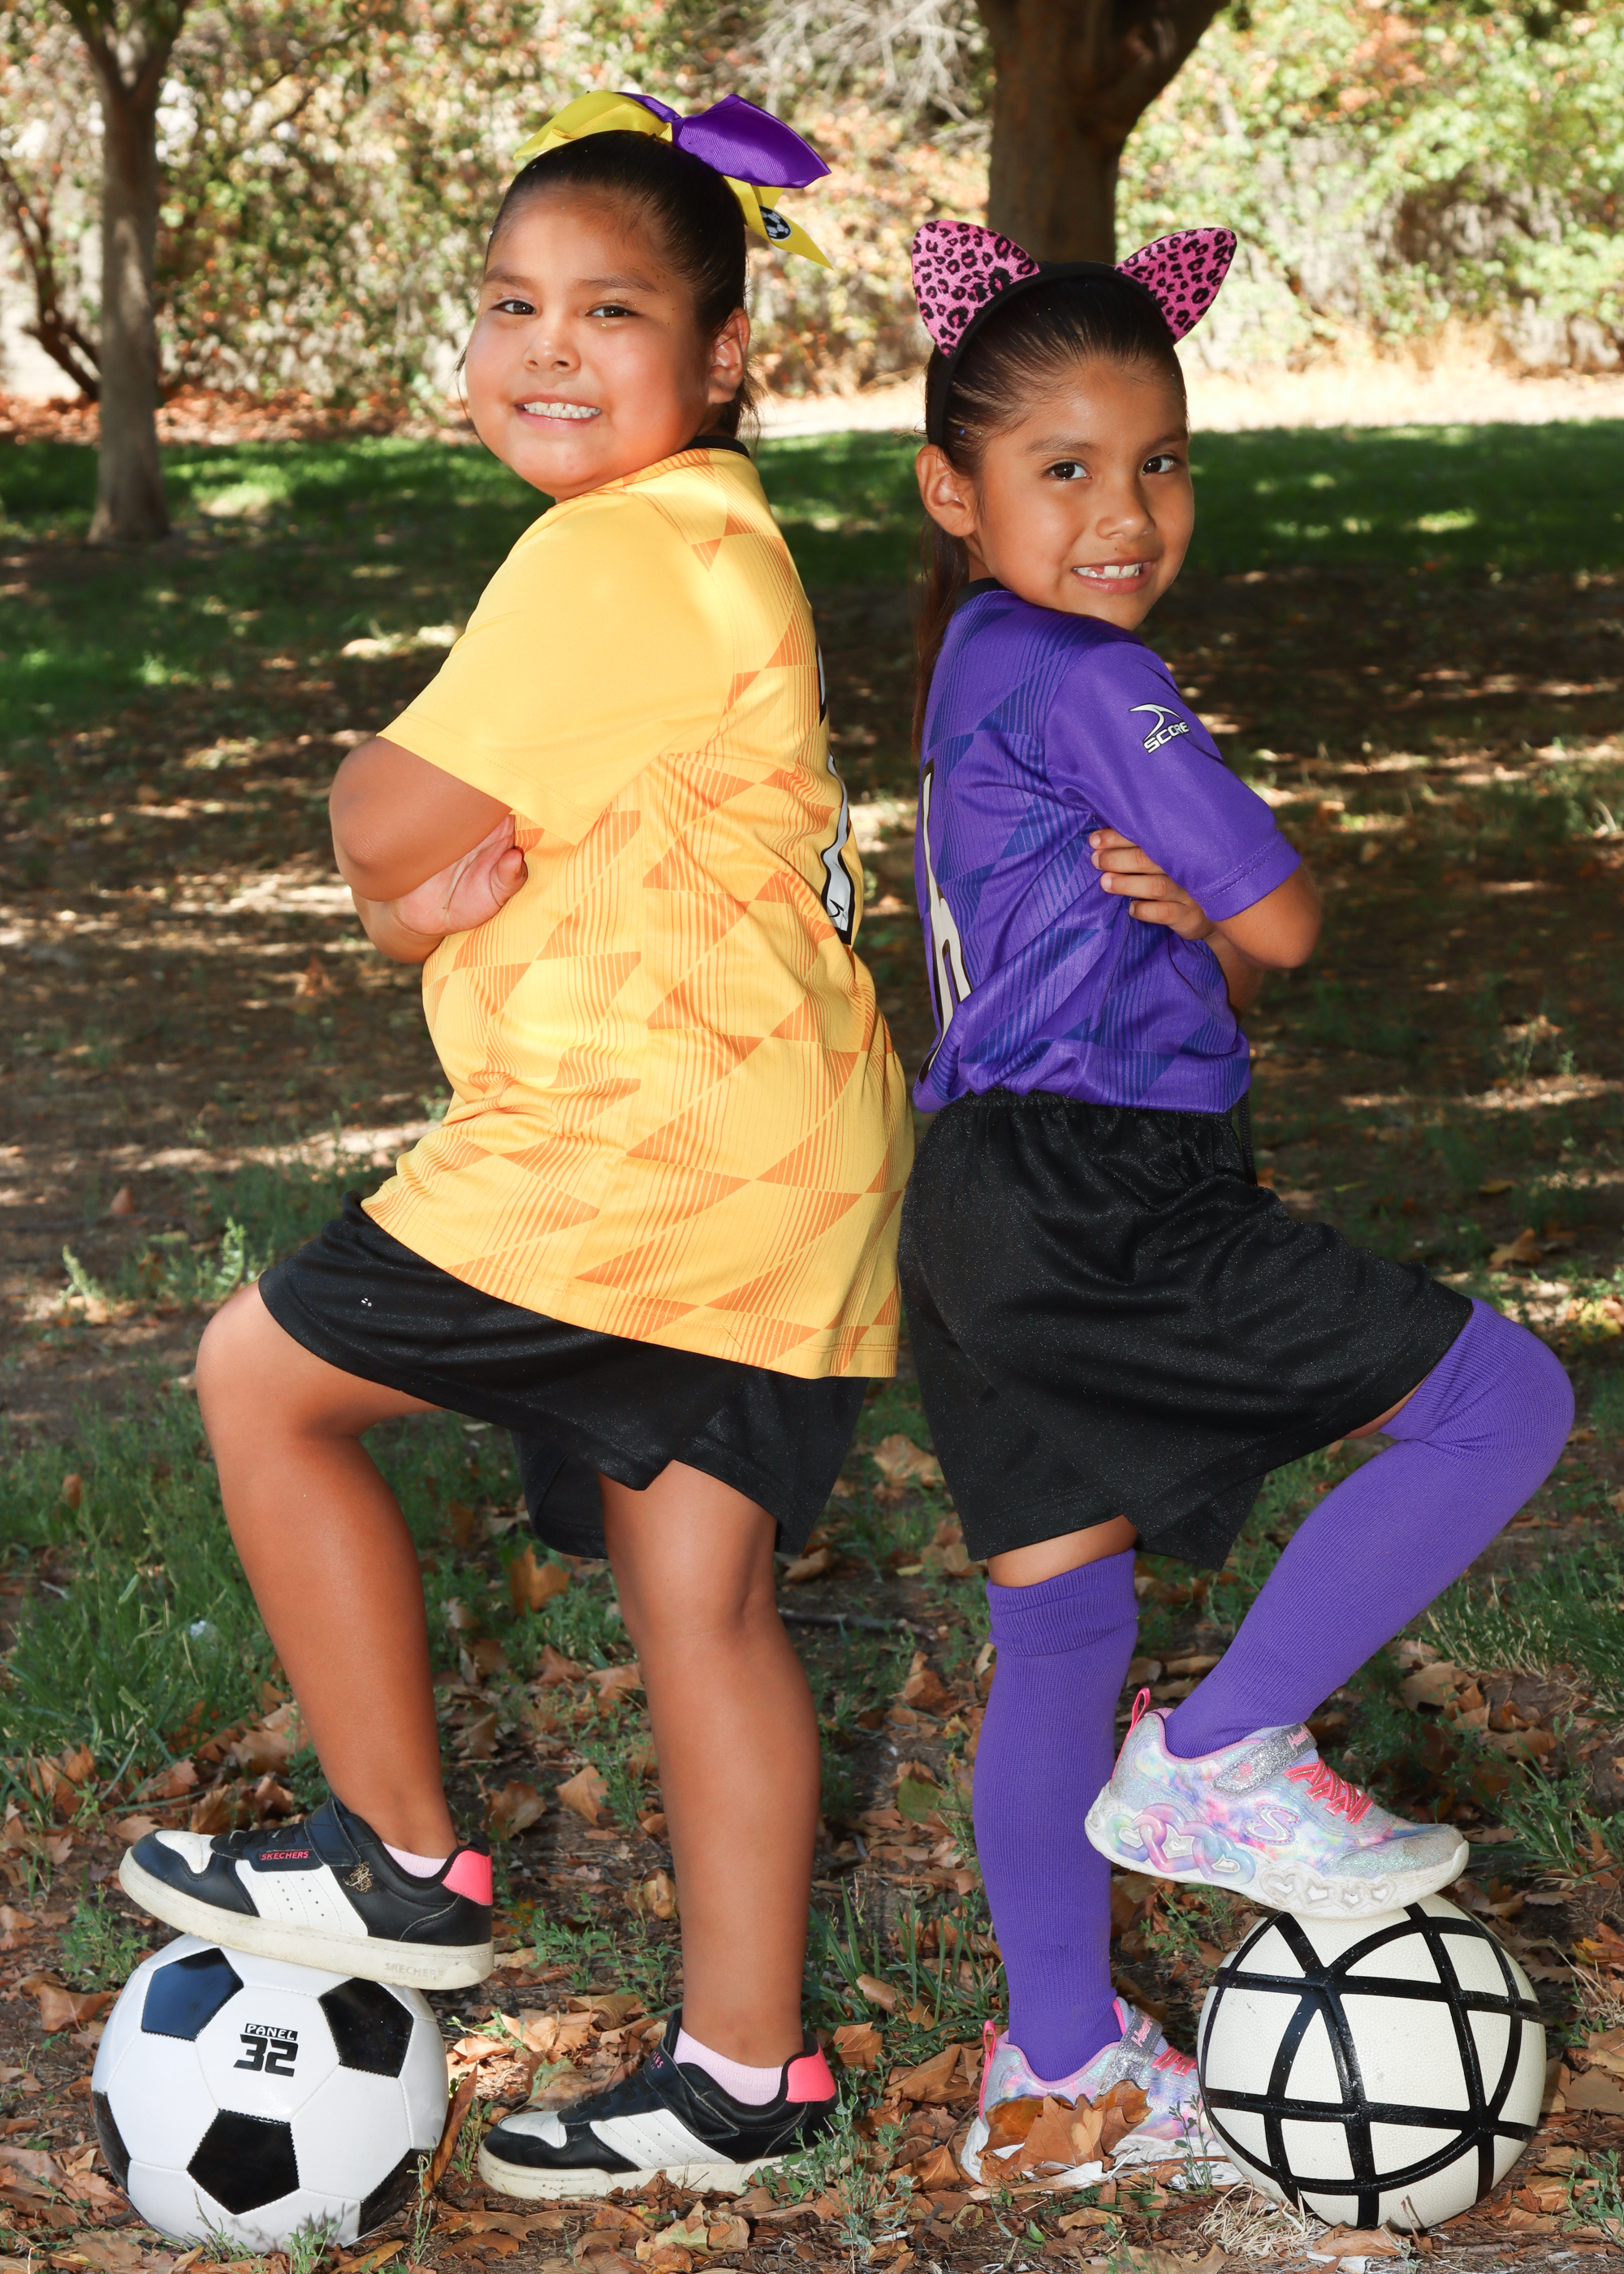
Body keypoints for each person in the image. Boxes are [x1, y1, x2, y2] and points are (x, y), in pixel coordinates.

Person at [119, 91, 911, 2200]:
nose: (548, 348)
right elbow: (438, 882)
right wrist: (413, 885)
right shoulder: (717, 536)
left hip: (644, 1147)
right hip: (800, 1169)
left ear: (721, 354)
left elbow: (388, 820)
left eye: (611, 310)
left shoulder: (612, 550)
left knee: (262, 1378)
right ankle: (744, 2073)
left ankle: (395, 1854)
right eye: (510, 304)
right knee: (700, 1598)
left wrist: (377, 825)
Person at [897, 218, 1574, 2181]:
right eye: (1064, 468)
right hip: (1102, 1185)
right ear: (951, 488)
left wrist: (1189, 917)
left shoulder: (972, 663)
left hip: (971, 1200)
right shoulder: (1099, 677)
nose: (1124, 513)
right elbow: (1284, 916)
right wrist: (1232, 899)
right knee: (1501, 1399)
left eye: (1160, 461)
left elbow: (1201, 950)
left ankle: (1061, 2072)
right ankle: (1223, 1750)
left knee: (1058, 1626)